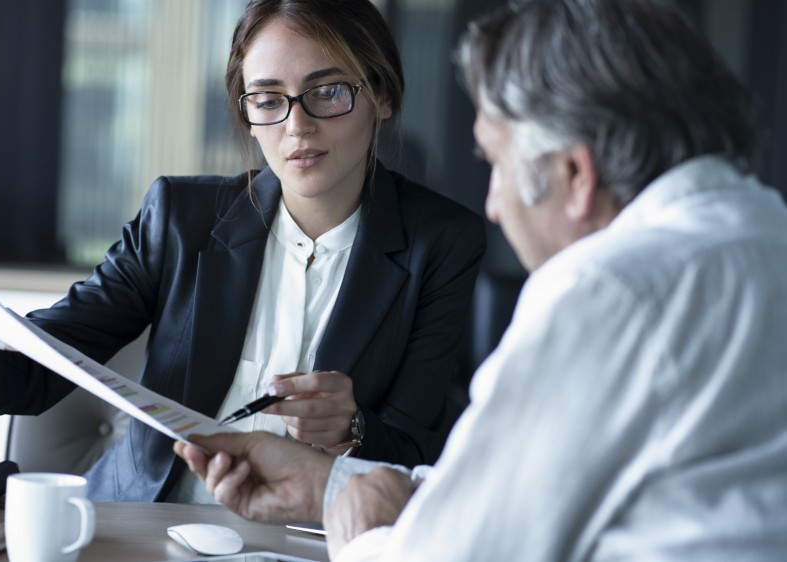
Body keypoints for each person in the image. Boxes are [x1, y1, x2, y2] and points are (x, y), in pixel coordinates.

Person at [173, 0, 787, 559]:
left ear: (575, 174)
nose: (492, 205)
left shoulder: (608, 291)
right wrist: (326, 485)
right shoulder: (763, 233)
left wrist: (358, 533)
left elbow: (464, 552)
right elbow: (518, 487)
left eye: (495, 163)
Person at [0, 0, 485, 503]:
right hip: (146, 527)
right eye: (267, 99)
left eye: (328, 92)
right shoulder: (179, 218)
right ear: (247, 113)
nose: (298, 126)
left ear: (382, 96)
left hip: (313, 540)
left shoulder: (442, 242)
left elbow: (419, 453)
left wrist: (352, 427)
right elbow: (34, 375)